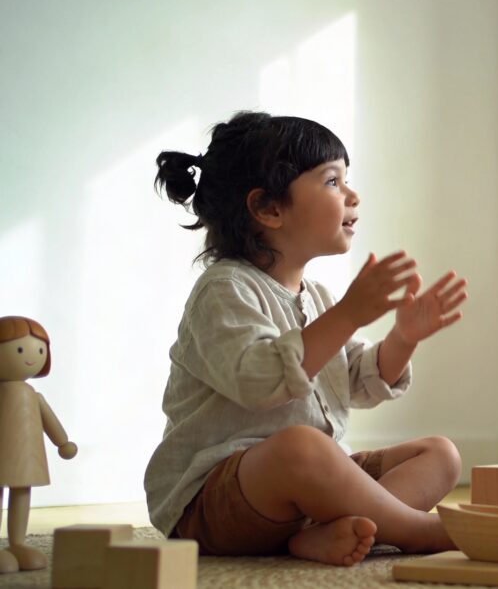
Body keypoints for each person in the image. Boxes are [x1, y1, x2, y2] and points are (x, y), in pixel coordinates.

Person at [145, 111, 468, 566]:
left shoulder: (316, 297)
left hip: (302, 498)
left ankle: (329, 533)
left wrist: (404, 337)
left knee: (441, 455)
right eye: (333, 181)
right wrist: (350, 314)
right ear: (269, 208)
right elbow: (261, 384)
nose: (352, 194)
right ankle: (415, 530)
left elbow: (355, 380)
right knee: (302, 446)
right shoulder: (224, 289)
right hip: (215, 501)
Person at [0, 316, 78, 573]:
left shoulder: (33, 396)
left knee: (22, 491)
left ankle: (18, 543)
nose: (32, 356)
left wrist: (62, 442)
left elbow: (49, 420)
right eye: (20, 349)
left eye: (40, 349)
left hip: (27, 456)